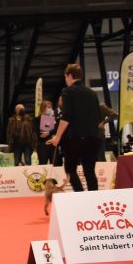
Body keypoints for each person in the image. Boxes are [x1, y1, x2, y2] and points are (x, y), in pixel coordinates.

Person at [47, 63, 100, 191]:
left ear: (69, 76)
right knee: (89, 171)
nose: (66, 80)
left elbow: (66, 116)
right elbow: (98, 115)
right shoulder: (92, 93)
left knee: (70, 169)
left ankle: (80, 194)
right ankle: (94, 198)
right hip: (93, 137)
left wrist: (57, 137)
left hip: (74, 138)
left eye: (66, 77)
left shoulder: (68, 91)